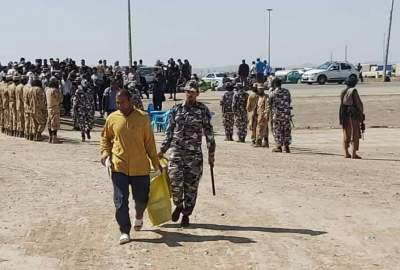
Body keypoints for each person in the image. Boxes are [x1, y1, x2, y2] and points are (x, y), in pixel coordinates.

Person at [100, 89, 161, 245]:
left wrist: (155, 162)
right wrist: (105, 154)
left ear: (130, 101)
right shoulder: (112, 118)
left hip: (140, 167)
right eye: (118, 102)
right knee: (120, 200)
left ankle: (139, 216)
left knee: (141, 199)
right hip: (118, 166)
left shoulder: (143, 118)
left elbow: (149, 142)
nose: (120, 105)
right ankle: (124, 231)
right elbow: (105, 139)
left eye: (123, 102)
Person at [158, 80, 216, 227]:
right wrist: (162, 150)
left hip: (194, 156)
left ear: (197, 93)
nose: (189, 94)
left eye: (192, 92)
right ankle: (178, 205)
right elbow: (169, 132)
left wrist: (211, 154)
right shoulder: (176, 109)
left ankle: (186, 214)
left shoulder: (203, 110)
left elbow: (209, 133)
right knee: (175, 184)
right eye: (187, 91)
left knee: (191, 187)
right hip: (176, 153)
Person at [339, 77, 364, 159]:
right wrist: (361, 114)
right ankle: (353, 153)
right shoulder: (353, 91)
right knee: (355, 133)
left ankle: (346, 153)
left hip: (344, 114)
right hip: (353, 115)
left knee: (346, 133)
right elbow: (359, 104)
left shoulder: (343, 91)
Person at [269, 78, 292, 153]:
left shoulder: (273, 93)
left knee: (277, 130)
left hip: (277, 115)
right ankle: (286, 146)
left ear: (275, 84)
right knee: (286, 130)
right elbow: (289, 101)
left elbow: (269, 104)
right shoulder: (287, 91)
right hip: (286, 115)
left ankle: (279, 146)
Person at [46, 77, 63, 143]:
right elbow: (61, 99)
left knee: (49, 123)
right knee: (55, 123)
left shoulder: (47, 90)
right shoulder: (55, 90)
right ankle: (54, 138)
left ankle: (50, 138)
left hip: (49, 108)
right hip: (55, 108)